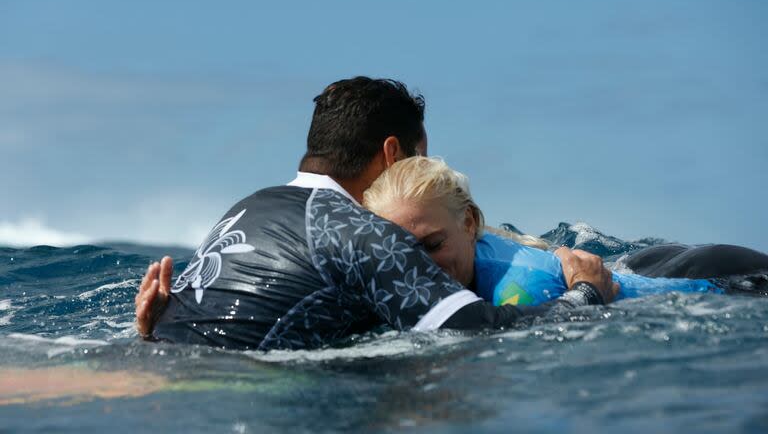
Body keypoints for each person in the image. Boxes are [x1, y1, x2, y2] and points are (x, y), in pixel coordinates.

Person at [135, 77, 618, 350]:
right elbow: (475, 334)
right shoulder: (364, 233)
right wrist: (586, 296)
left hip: (159, 371)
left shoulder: (248, 207)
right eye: (420, 158)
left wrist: (152, 331)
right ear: (393, 154)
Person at [362, 156, 768, 304]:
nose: (418, 266)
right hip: (634, 261)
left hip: (713, 277)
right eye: (401, 251)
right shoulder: (460, 253)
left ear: (469, 223)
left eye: (432, 244)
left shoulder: (519, 290)